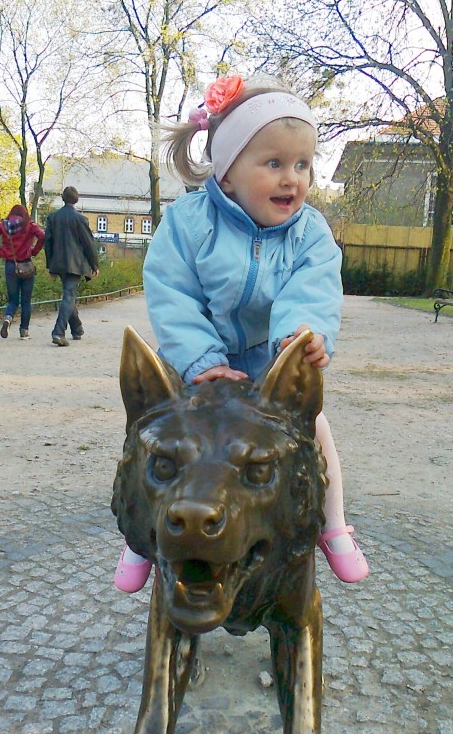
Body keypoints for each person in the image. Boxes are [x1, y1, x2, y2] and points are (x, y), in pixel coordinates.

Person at [114, 74, 369, 592]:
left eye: (302, 165)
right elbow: (172, 291)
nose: (291, 179)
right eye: (273, 163)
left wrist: (300, 339)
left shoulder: (311, 232)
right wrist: (199, 359)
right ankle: (142, 535)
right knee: (163, 443)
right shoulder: (189, 223)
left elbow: (313, 288)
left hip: (264, 365)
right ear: (227, 174)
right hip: (197, 365)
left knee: (316, 434)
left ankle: (332, 522)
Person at [44, 186, 99, 346]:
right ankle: (58, 332)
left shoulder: (53, 218)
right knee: (69, 296)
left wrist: (50, 266)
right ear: (76, 199)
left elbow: (48, 243)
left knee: (69, 295)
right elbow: (88, 243)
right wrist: (94, 265)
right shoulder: (80, 219)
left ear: (63, 198)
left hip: (58, 263)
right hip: (76, 264)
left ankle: (77, 328)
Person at [0, 205, 45, 340]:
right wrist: (34, 251)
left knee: (13, 300)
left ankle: (8, 318)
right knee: (26, 301)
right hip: (26, 265)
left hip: (11, 265)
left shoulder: (3, 225)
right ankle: (24, 331)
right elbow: (42, 236)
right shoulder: (29, 225)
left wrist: (0, 252)